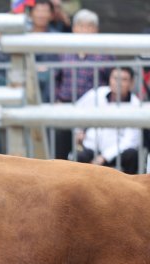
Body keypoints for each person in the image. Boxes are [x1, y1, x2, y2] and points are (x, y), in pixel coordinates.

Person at [54, 8, 114, 159]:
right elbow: (56, 78)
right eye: (81, 26)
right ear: (74, 28)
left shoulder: (105, 53)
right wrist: (56, 101)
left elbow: (111, 81)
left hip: (94, 111)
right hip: (66, 108)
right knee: (60, 152)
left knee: (85, 157)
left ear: (96, 30)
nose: (85, 30)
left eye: (90, 26)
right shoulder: (63, 50)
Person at [74, 67, 141, 174]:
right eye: (115, 78)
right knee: (77, 157)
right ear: (109, 79)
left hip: (117, 153)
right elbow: (73, 111)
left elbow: (130, 141)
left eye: (123, 80)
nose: (118, 83)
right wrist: (79, 131)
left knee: (132, 155)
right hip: (92, 148)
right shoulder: (96, 94)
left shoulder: (136, 105)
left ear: (131, 83)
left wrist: (104, 157)